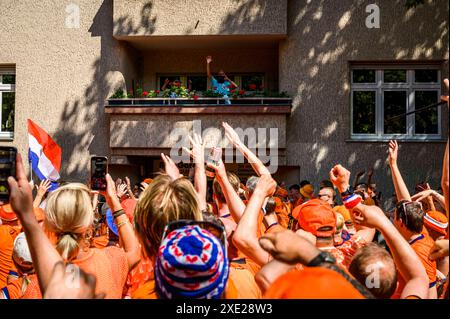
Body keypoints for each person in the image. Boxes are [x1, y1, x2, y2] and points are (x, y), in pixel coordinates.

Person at [6, 154, 141, 299]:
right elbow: (133, 250)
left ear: (49, 226)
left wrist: (27, 217)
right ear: (89, 223)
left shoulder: (39, 286)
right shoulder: (110, 260)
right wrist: (112, 199)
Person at [387, 140, 438, 298]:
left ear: (400, 223)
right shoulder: (421, 233)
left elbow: (429, 292)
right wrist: (393, 165)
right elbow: (405, 201)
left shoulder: (418, 252)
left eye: (393, 216)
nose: (391, 217)